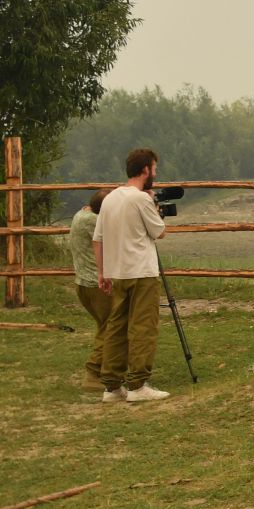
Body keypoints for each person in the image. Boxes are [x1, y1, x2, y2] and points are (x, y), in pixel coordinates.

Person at [94, 148, 170, 403]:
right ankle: (138, 384)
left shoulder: (110, 199)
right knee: (143, 327)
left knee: (117, 327)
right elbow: (159, 232)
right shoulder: (141, 199)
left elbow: (98, 238)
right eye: (154, 169)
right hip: (142, 272)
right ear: (145, 170)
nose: (155, 174)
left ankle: (112, 386)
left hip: (117, 272)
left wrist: (102, 271)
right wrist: (155, 207)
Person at [68, 189, 112, 389]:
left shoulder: (81, 214)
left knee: (106, 326)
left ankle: (108, 367)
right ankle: (93, 373)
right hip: (97, 285)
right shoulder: (94, 222)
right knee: (112, 326)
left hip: (84, 283)